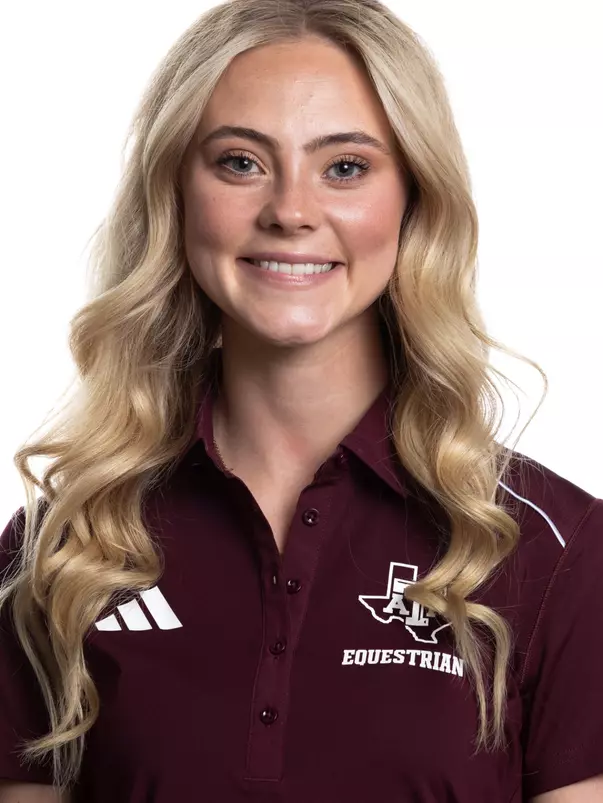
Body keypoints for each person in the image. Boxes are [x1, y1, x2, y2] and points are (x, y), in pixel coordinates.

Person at [1, 0, 602, 801]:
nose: (290, 210)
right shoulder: (68, 548)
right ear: (175, 194)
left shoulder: (552, 549)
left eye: (345, 167)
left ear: (413, 199)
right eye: (240, 162)